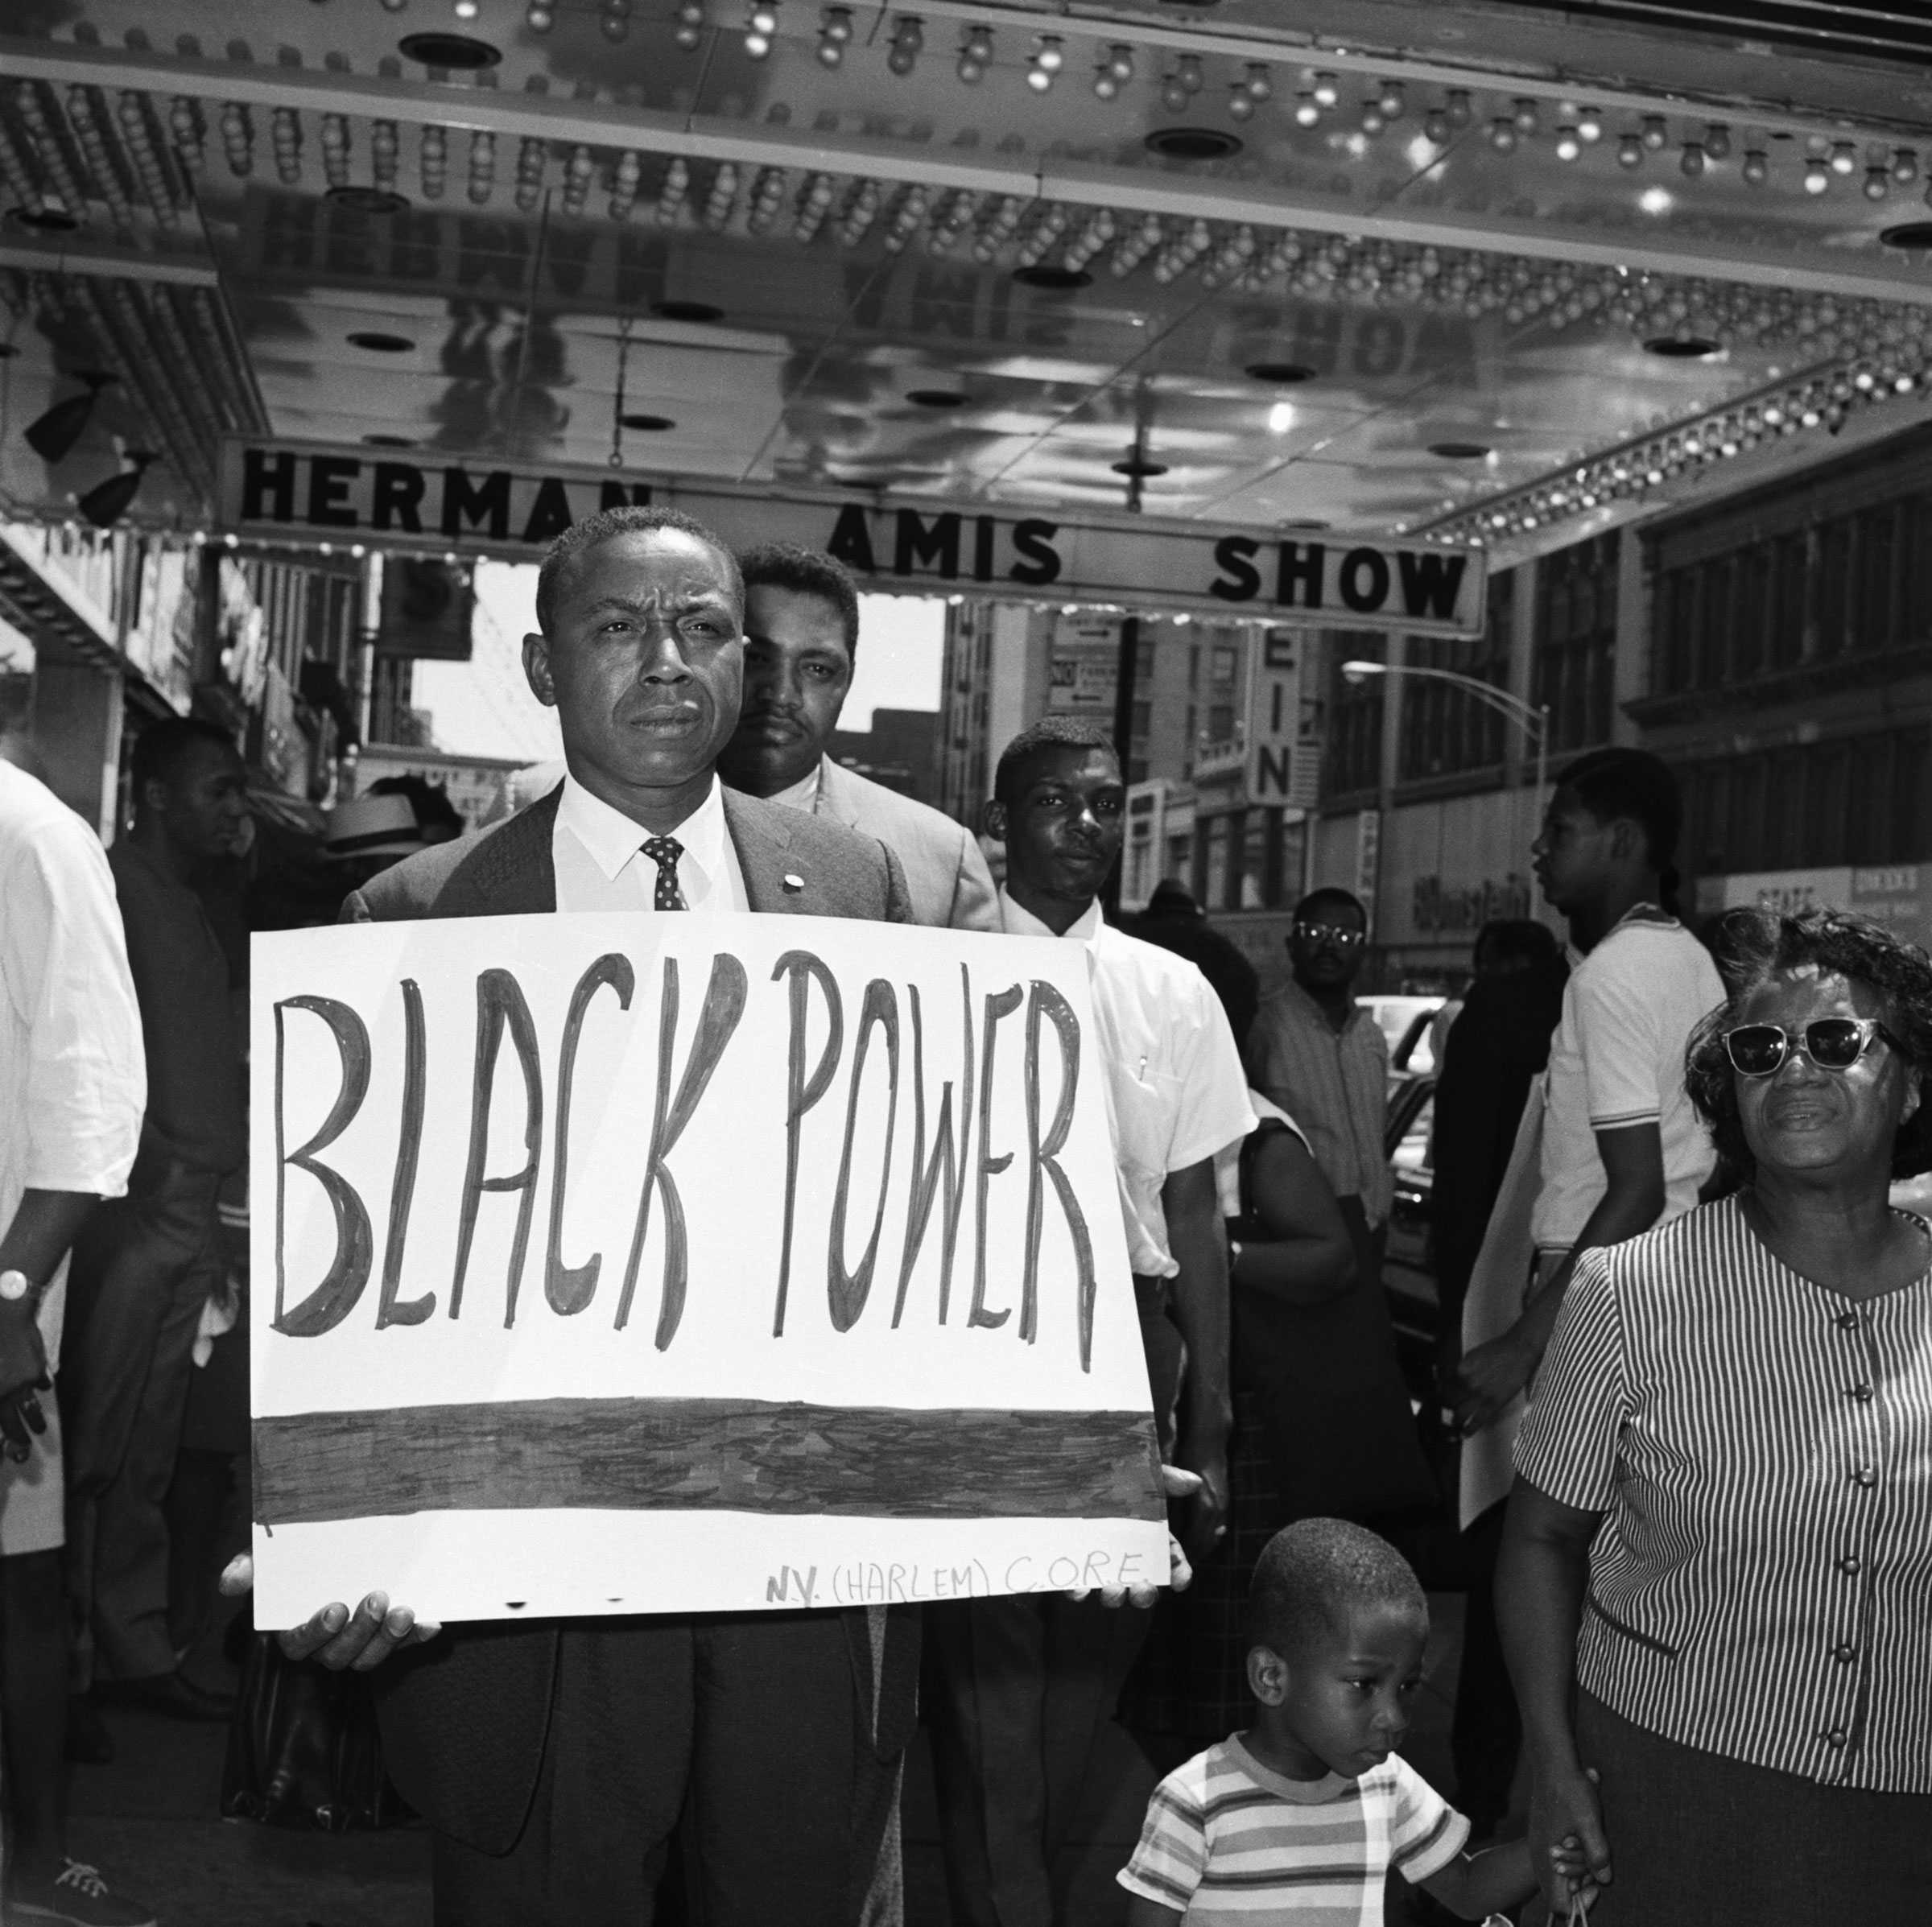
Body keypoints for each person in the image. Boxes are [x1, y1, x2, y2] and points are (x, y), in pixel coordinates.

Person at [231, 506, 921, 1927]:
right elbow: (343, 1277)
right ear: (544, 669)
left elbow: (910, 1209)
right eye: (620, 627)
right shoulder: (407, 920)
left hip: (786, 1552)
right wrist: (320, 1516)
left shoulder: (860, 892)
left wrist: (1065, 1455)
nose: (669, 660)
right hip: (522, 1577)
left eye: (706, 628)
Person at [1501, 906, 1932, 1925]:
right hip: (1673, 1790)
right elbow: (1541, 1540)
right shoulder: (1626, 1290)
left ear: (1911, 1083)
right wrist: (1551, 1769)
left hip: (1907, 1817)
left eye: (1836, 1040)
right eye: (1759, 1048)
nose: (1794, 1067)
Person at [926, 716, 1255, 1927]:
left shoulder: (1173, 990)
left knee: (1079, 1687)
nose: (1089, 826)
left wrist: (1210, 1422)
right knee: (989, 1693)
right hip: (981, 1342)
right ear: (1000, 825)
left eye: (1107, 803)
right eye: (1060, 803)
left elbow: (1196, 1211)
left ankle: (1023, 1897)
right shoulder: (934, 970)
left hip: (1130, 1343)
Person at [1121, 914, 1356, 1746]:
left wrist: (1214, 1256)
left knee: (1221, 1652)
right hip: (1188, 1400)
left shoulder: (1257, 1133)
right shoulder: (1145, 1107)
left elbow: (1333, 1255)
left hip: (1240, 1412)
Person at [63, 719, 249, 1735]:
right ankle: (66, 1670)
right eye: (217, 790)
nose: (236, 810)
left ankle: (127, 1650)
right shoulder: (112, 888)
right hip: (134, 1212)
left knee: (145, 1450)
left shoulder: (187, 901)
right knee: (90, 1448)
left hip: (191, 1214)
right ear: (156, 792)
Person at [1451, 752, 1723, 1439]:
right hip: (1674, 1277)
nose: (1539, 849)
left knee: (1556, 1532)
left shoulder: (1610, 975)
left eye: (1560, 830)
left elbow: (1636, 1188)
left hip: (1598, 1289)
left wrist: (1523, 1342)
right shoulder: (1692, 960)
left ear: (1623, 842)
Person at [1118, 1518, 1576, 1925]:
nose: (1395, 1719)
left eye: (1407, 1686)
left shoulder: (1386, 1783)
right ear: (1272, 1677)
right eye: (1363, 1684)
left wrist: (1550, 1846)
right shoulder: (1194, 1803)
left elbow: (1468, 1889)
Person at [0, 742, 152, 1927]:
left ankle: (39, 1860)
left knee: (18, 1586)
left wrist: (9, 1299)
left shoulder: (36, 838)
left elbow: (92, 1091)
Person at [1426, 918, 1567, 1839]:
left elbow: (1459, 1186)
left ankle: (1484, 1804)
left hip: (1502, 1313)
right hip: (1557, 1315)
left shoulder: (1481, 1031)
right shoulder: (1564, 1022)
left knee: (1508, 1557)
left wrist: (1469, 1330)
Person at [1243, 892, 1436, 1537]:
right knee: (1308, 1411)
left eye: (1346, 935)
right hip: (1303, 1242)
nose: (1330, 944)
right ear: (1293, 942)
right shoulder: (1265, 1027)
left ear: (1364, 947)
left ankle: (1347, 1534)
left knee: (1359, 1405)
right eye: (1316, 931)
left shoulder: (1372, 1037)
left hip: (1369, 1233)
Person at [717, 542, 997, 930]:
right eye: (758, 658)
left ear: (847, 682)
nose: (781, 694)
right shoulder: (630, 819)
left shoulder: (942, 860)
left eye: (817, 669)